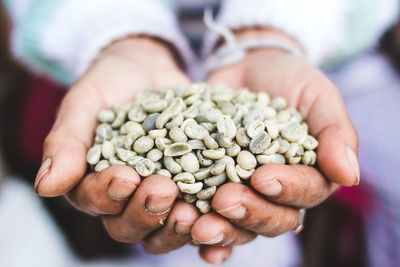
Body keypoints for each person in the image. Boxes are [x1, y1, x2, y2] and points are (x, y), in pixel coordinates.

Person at [3, 0, 397, 265]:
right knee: (187, 233)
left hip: (323, 43)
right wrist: (120, 38)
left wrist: (272, 33)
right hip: (96, 49)